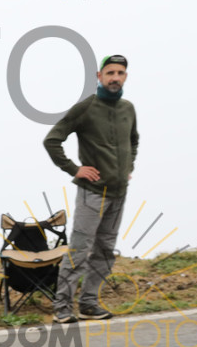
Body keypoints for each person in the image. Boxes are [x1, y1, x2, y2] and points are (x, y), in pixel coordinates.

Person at [43, 53, 140, 324]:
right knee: (79, 249)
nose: (115, 78)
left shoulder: (128, 108)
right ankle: (62, 307)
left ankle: (88, 303)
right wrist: (75, 169)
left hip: (119, 192)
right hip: (92, 193)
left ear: (125, 77)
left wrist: (128, 166)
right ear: (99, 76)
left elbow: (133, 141)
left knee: (105, 251)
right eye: (110, 73)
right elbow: (52, 140)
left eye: (120, 73)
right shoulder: (85, 108)